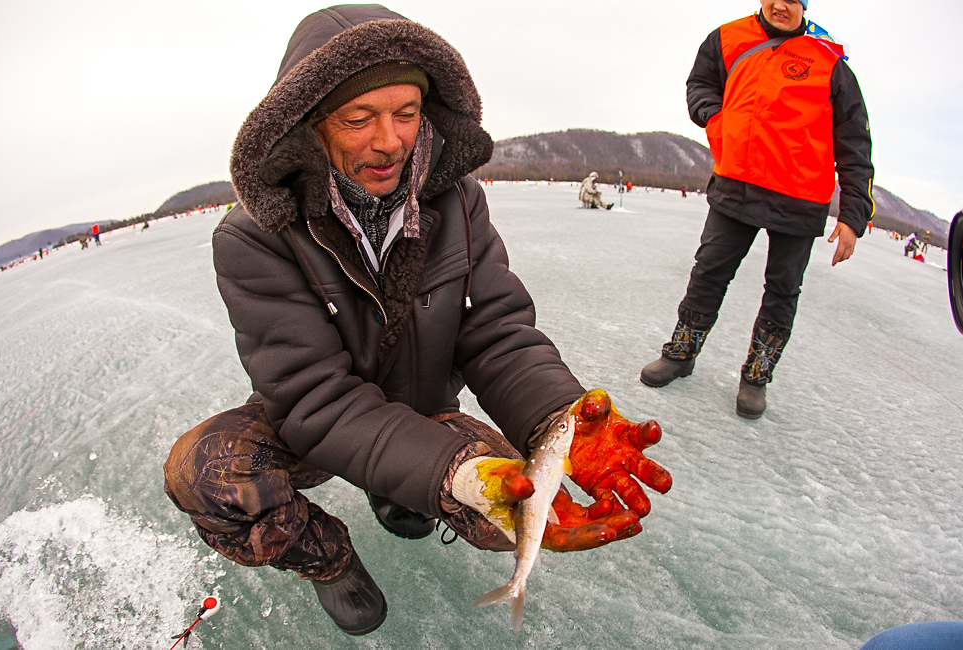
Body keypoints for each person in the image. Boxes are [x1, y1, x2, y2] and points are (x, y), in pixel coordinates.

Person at [163, 5, 672, 637]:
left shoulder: (457, 199)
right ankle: (329, 561)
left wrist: (561, 421)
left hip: (425, 411)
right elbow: (312, 397)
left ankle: (399, 488)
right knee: (203, 473)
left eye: (406, 114)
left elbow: (497, 330)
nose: (390, 140)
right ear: (309, 126)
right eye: (358, 118)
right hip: (313, 425)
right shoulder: (256, 237)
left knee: (511, 507)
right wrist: (449, 471)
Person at [639, 0, 874, 419]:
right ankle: (681, 353)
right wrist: (717, 121)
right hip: (737, 182)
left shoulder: (829, 59)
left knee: (783, 291)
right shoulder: (727, 38)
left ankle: (756, 377)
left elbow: (855, 143)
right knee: (709, 271)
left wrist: (854, 215)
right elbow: (701, 84)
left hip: (800, 198)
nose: (780, 4)